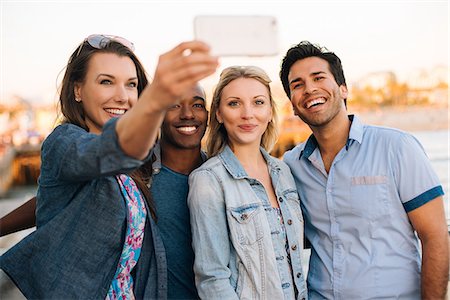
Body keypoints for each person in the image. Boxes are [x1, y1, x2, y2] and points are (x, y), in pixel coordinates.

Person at [0, 34, 218, 299]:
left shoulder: (134, 168)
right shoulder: (64, 142)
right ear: (77, 90)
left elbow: (54, 201)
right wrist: (157, 98)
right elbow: (115, 150)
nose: (122, 96)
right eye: (106, 82)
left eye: (131, 85)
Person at [279, 41, 449, 299]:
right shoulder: (291, 165)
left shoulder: (397, 147)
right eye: (297, 84)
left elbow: (435, 236)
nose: (310, 88)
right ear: (292, 103)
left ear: (343, 89)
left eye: (319, 77)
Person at [187, 66, 307, 299]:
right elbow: (212, 279)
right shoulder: (208, 181)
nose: (247, 114)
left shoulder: (283, 171)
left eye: (258, 102)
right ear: (219, 114)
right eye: (234, 103)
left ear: (270, 111)